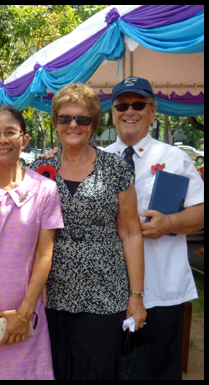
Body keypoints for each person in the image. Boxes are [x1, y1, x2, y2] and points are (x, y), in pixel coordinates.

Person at [30, 83, 146, 380]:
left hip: (105, 290)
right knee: (54, 368)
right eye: (65, 118)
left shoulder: (116, 168)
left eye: (82, 119)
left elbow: (132, 233)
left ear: (94, 124)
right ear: (55, 122)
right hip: (52, 289)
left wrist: (136, 296)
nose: (73, 125)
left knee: (97, 369)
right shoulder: (40, 167)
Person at [105, 77, 204, 380]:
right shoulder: (99, 160)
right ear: (113, 112)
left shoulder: (174, 158)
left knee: (162, 371)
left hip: (163, 289)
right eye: (122, 105)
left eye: (138, 104)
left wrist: (170, 223)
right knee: (112, 370)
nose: (130, 111)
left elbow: (201, 211)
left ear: (152, 110)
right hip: (109, 291)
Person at [0, 105, 64, 380]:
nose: (2, 140)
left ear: (25, 139)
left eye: (10, 132)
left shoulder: (45, 190)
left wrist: (24, 314)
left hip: (27, 316)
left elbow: (45, 254)